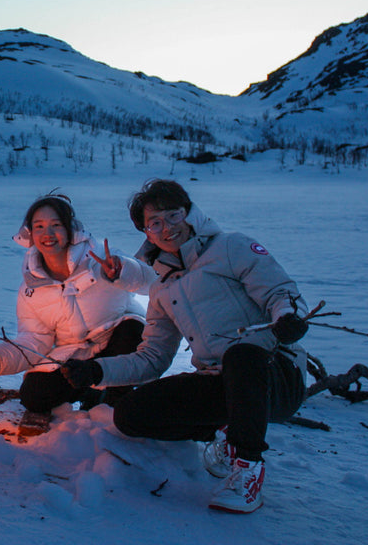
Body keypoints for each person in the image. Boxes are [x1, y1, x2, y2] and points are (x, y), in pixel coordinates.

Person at [61, 179, 310, 513]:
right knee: (130, 414)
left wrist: (289, 317)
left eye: (173, 215)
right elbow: (152, 358)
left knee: (241, 354)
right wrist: (96, 370)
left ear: (189, 213)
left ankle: (247, 469)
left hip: (273, 373)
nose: (167, 228)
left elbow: (280, 292)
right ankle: (227, 430)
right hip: (220, 381)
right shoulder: (162, 289)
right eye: (155, 223)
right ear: (146, 233)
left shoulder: (232, 247)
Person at [0, 193, 154, 416]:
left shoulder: (101, 257)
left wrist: (122, 272)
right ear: (30, 233)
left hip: (117, 345)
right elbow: (35, 339)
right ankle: (91, 392)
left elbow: (151, 282)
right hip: (76, 357)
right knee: (33, 394)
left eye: (56, 225)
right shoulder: (31, 287)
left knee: (134, 329)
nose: (48, 234)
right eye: (39, 227)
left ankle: (115, 399)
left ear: (70, 229)